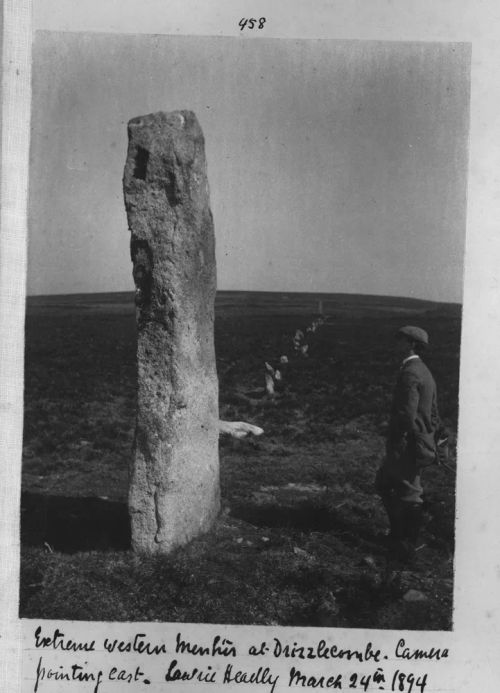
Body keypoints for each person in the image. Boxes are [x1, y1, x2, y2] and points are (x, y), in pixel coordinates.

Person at [375, 325, 441, 561]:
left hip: (408, 443)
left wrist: (399, 441)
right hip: (418, 440)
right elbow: (433, 411)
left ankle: (405, 547)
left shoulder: (410, 372)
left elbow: (406, 414)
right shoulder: (422, 370)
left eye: (400, 339)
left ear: (411, 344)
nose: (396, 343)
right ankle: (398, 536)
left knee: (409, 492)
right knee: (384, 483)